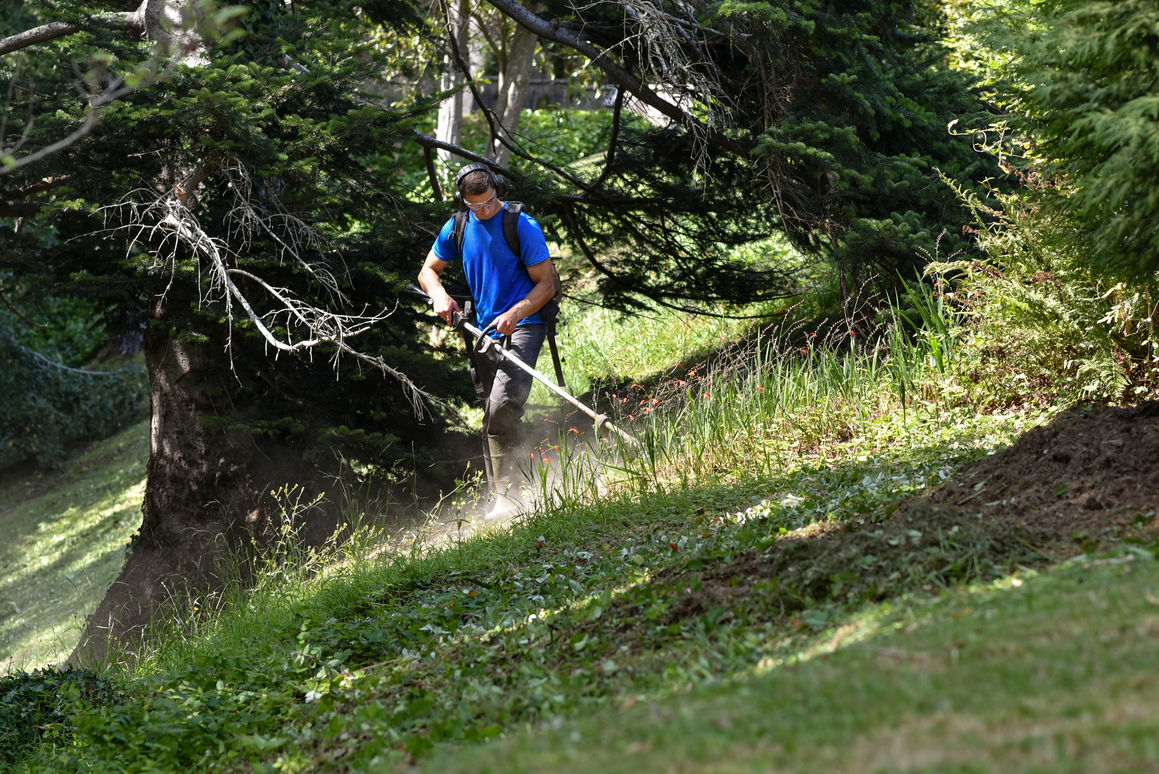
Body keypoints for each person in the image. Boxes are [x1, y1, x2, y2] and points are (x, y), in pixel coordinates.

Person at [418, 163, 558, 519]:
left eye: (490, 202)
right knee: (494, 417)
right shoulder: (459, 227)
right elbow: (427, 272)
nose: (484, 210)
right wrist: (439, 296)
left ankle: (508, 500)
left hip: (525, 323)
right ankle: (526, 488)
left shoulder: (520, 224)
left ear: (497, 191)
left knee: (500, 408)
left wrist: (515, 314)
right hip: (483, 331)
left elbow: (547, 284)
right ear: (463, 201)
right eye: (475, 205)